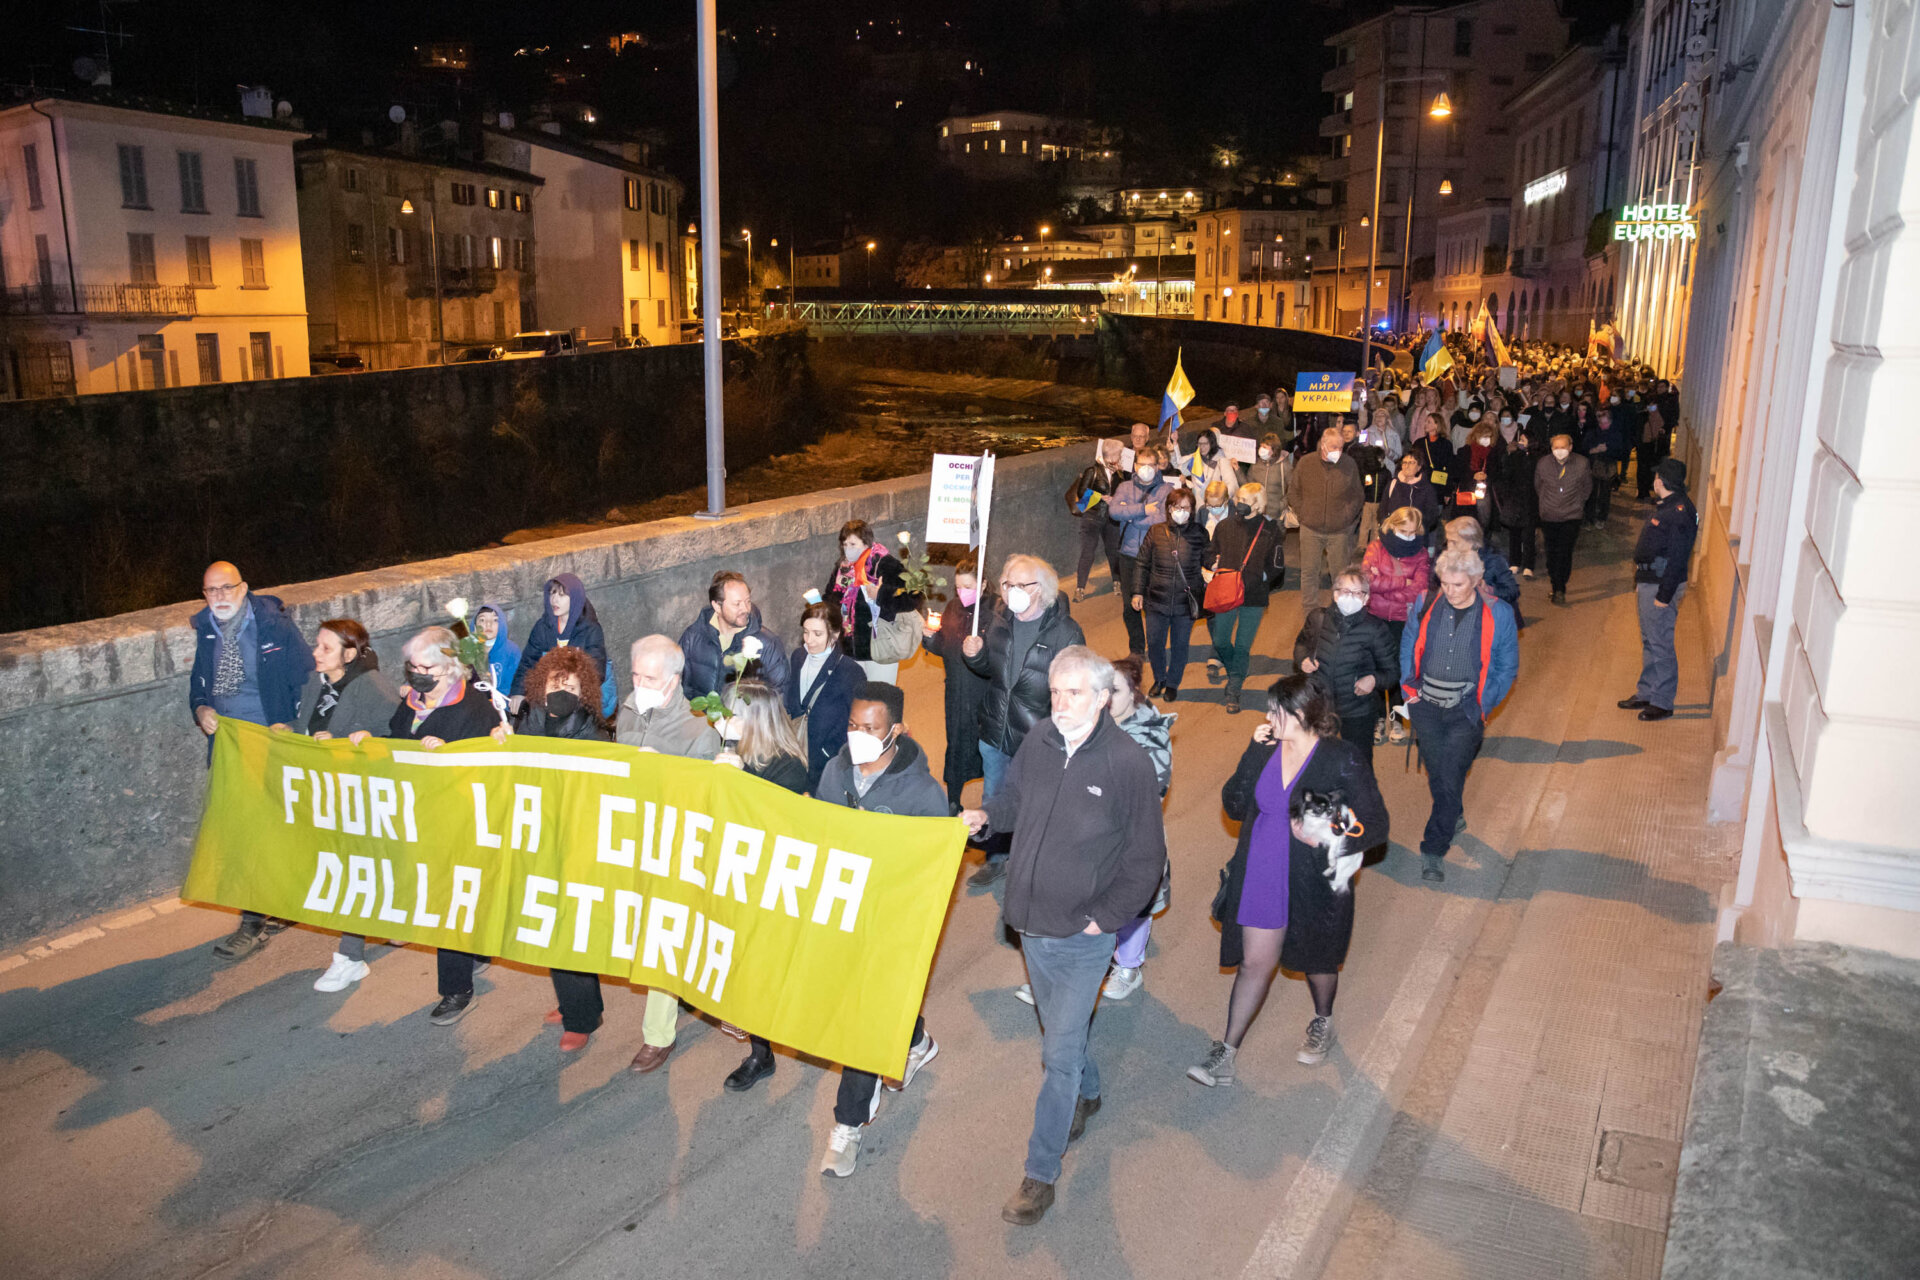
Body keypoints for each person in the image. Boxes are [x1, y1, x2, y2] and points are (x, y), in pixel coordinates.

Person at [960, 648, 1166, 1226]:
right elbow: (1014, 803)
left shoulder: (1127, 763)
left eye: (1074, 693)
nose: (1061, 704)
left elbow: (1147, 858)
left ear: (1103, 698)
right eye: (1055, 692)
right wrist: (985, 819)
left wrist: (1105, 918)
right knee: (1063, 1035)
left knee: (1055, 1054)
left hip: (1083, 936)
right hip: (1030, 923)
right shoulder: (1042, 740)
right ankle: (1089, 1089)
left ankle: (1039, 1172)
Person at [1190, 675, 1390, 1086]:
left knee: (1318, 960)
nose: (1267, 716)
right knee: (1253, 964)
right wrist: (1251, 750)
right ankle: (1225, 1054)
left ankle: (1323, 1020)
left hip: (1313, 879)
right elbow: (1232, 804)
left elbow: (1376, 825)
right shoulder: (1265, 750)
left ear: (1300, 714)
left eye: (1275, 710)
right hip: (1261, 870)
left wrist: (1329, 833)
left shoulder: (1341, 758)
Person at [815, 682, 949, 1176]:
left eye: (869, 728)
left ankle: (847, 1127)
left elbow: (935, 867)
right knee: (876, 1005)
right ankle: (914, 1040)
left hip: (891, 924)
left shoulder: (922, 794)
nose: (857, 736)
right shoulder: (835, 772)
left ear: (897, 730)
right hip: (843, 914)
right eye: (852, 725)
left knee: (864, 1022)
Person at [369, 627, 501, 1024]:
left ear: (451, 668)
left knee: (448, 904)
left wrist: (449, 757)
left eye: (427, 667)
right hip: (417, 816)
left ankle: (456, 990)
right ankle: (477, 948)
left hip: (457, 822)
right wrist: (368, 743)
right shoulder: (412, 701)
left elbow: (490, 768)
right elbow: (396, 740)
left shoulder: (475, 708)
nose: (418, 674)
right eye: (412, 666)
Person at [191, 560, 314, 962]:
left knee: (268, 830)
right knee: (246, 832)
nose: (220, 597)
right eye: (211, 591)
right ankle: (266, 910)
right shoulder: (208, 628)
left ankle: (258, 919)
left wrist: (291, 727)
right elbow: (200, 683)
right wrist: (201, 709)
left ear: (244, 588)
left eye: (226, 588)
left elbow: (307, 674)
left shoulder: (273, 626)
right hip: (230, 745)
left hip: (271, 742)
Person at [617, 635, 724, 1071]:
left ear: (674, 680)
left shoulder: (699, 732)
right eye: (636, 675)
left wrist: (657, 772)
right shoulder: (628, 708)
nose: (639, 684)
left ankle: (657, 1035)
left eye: (649, 677)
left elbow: (701, 807)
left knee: (662, 936)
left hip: (673, 848)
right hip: (630, 837)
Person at [280, 617, 398, 992]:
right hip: (327, 792)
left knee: (354, 873)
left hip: (360, 794)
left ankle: (350, 957)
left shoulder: (372, 685)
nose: (315, 653)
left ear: (349, 654)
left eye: (325, 648)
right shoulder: (319, 681)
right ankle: (394, 921)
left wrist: (348, 740)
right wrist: (289, 730)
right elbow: (309, 725)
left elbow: (398, 734)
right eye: (317, 645)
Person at [711, 678, 812, 1093]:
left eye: (732, 713)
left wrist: (739, 783)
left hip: (768, 880)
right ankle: (762, 1051)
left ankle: (767, 1046)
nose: (722, 720)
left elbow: (774, 826)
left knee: (765, 965)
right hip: (733, 873)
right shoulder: (726, 751)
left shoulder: (788, 765)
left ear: (755, 719)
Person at [960, 556, 1084, 887]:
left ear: (1041, 589)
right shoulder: (999, 622)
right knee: (995, 796)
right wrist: (976, 656)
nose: (1011, 591)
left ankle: (1033, 864)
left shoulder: (1066, 632)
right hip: (996, 731)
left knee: (1035, 805)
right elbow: (993, 671)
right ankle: (996, 858)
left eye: (1020, 585)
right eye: (1007, 584)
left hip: (1036, 737)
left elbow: (1076, 690)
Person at [1399, 550, 1520, 883]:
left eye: (1458, 584)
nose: (1449, 591)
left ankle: (1433, 849)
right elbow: (1409, 644)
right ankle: (1454, 811)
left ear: (1477, 582)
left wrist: (1484, 704)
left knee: (1449, 773)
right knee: (1443, 776)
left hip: (1465, 710)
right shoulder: (1426, 602)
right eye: (1445, 583)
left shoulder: (1499, 614)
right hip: (1425, 706)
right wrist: (1408, 691)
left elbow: (1507, 667)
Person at [519, 646, 615, 1051]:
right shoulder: (530, 719)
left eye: (571, 686)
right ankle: (572, 1000)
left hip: (575, 839)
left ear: (585, 692)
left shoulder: (593, 733)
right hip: (539, 833)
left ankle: (582, 1017)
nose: (562, 692)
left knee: (569, 926)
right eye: (556, 684)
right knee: (547, 922)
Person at [1099, 656, 1174, 1001]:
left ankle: (1129, 966)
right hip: (1095, 833)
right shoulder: (1094, 721)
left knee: (1133, 901)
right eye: (1103, 690)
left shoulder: (1150, 733)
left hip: (1131, 837)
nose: (1107, 698)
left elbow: (1153, 788)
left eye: (1115, 690)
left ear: (1134, 693)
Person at [1619, 459, 1698, 722]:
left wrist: (1664, 596)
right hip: (1649, 580)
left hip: (1660, 584)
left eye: (1657, 477)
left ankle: (1662, 701)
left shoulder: (1679, 512)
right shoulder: (1667, 506)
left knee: (1660, 642)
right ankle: (1647, 692)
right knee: (1649, 640)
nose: (1654, 481)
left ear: (1661, 481)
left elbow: (1678, 557)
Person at [1293, 571, 1398, 766]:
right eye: (1345, 591)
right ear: (1335, 594)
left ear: (1366, 598)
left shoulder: (1375, 629)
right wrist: (1302, 660)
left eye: (1358, 593)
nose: (1350, 597)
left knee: (1358, 764)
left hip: (1357, 711)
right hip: (1320, 706)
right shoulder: (1317, 618)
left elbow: (1392, 672)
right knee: (1319, 763)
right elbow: (1301, 644)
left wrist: (1374, 679)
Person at [919, 557, 992, 809]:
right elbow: (944, 647)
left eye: (968, 587)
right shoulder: (952, 608)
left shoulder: (995, 611)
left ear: (983, 584)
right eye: (958, 587)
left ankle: (992, 806)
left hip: (983, 694)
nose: (962, 593)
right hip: (956, 695)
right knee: (957, 746)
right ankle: (953, 801)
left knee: (988, 750)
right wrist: (929, 638)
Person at [1205, 481, 1285, 713]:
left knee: (1242, 646)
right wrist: (1213, 562)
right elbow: (1210, 551)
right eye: (1238, 499)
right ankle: (1237, 671)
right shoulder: (1225, 526)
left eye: (1245, 501)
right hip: (1226, 591)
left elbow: (1277, 566)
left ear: (1258, 505)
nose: (1239, 504)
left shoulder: (1271, 531)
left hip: (1254, 596)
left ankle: (1234, 689)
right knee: (1220, 640)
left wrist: (1260, 576)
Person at [1133, 486, 1208, 701]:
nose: (1181, 511)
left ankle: (1173, 683)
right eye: (1177, 506)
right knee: (1155, 643)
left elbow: (1209, 560)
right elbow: (1141, 563)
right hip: (1156, 601)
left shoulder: (1199, 534)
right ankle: (1160, 679)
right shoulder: (1156, 531)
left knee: (1180, 645)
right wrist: (1137, 592)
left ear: (1192, 510)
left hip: (1186, 603)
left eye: (1186, 507)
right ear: (1169, 508)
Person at [1363, 506, 1431, 745]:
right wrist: (1403, 581)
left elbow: (1419, 589)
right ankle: (1378, 719)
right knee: (1376, 668)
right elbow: (1367, 581)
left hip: (1403, 621)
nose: (1408, 536)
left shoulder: (1421, 553)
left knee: (1400, 670)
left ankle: (1397, 719)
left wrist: (1386, 588)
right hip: (1376, 617)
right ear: (1392, 525)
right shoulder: (1376, 548)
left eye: (1413, 532)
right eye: (1403, 530)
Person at [784, 599, 865, 792]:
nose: (808, 640)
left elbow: (857, 724)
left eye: (817, 634)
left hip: (827, 762)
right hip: (796, 753)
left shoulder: (850, 672)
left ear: (835, 634)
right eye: (805, 631)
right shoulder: (798, 657)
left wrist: (832, 755)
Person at [679, 570, 790, 701]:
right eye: (737, 604)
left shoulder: (767, 644)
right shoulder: (692, 637)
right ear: (717, 606)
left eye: (748, 601)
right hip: (700, 719)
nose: (745, 609)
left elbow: (780, 697)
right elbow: (681, 686)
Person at [511, 574, 613, 714]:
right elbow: (528, 663)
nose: (554, 599)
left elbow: (596, 671)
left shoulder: (590, 629)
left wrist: (569, 692)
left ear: (575, 598)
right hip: (551, 693)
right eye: (552, 593)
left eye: (562, 595)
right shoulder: (543, 627)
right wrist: (518, 692)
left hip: (581, 695)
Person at [1107, 447, 1173, 657]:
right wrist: (1142, 510)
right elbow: (1115, 511)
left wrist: (1131, 515)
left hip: (1154, 555)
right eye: (1141, 464)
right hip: (1128, 555)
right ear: (1135, 466)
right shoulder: (1125, 487)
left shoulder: (1167, 490)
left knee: (1153, 605)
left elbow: (1162, 519)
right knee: (1130, 606)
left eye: (1149, 465)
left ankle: (1155, 645)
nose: (1145, 469)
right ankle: (1136, 648)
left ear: (1157, 466)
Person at [828, 520, 914, 682]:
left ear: (866, 543)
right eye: (845, 544)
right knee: (854, 702)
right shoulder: (843, 569)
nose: (848, 549)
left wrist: (880, 595)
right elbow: (831, 598)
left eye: (853, 544)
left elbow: (913, 597)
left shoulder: (885, 564)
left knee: (879, 701)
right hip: (849, 651)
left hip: (880, 647)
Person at [1292, 427, 1365, 612]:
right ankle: (1310, 613)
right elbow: (1293, 492)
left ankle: (1338, 611)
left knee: (1339, 574)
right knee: (1309, 573)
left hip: (1339, 531)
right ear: (1322, 445)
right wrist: (1304, 513)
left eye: (1341, 447)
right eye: (1334, 447)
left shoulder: (1349, 464)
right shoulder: (1306, 463)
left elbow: (1357, 496)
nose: (1338, 452)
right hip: (1310, 529)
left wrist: (1346, 517)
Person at [1535, 433, 1594, 605]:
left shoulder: (1582, 464)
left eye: (1563, 447)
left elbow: (1587, 488)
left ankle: (1560, 587)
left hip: (1571, 515)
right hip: (1549, 515)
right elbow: (1538, 486)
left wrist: (1576, 504)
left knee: (1564, 551)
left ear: (1570, 447)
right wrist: (1547, 504)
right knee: (1551, 552)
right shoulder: (1543, 463)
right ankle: (1555, 582)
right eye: (1556, 448)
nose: (1559, 451)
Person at [1068, 441, 1126, 602]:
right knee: (1087, 553)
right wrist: (1101, 497)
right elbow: (1081, 492)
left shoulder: (1119, 473)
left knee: (1113, 550)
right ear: (1112, 456)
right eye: (1119, 454)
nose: (1120, 457)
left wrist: (1116, 498)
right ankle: (1080, 588)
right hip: (1092, 516)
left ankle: (1117, 581)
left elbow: (1124, 490)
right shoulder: (1092, 471)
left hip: (1111, 517)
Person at [1493, 423, 1543, 578]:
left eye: (1523, 439)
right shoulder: (1514, 457)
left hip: (1530, 500)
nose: (1520, 442)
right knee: (1514, 533)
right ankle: (1514, 562)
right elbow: (1505, 475)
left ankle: (1529, 565)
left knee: (1528, 535)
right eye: (1519, 439)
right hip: (1514, 499)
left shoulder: (1538, 459)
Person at [1443, 516, 1522, 615]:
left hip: (1490, 616)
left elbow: (1512, 591)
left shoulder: (1494, 560)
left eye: (1454, 542)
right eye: (1448, 541)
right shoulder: (1447, 559)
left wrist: (1489, 590)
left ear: (1470, 542)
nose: (1449, 546)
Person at [1380, 450, 1444, 541]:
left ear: (1419, 467)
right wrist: (1388, 526)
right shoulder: (1393, 484)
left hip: (1416, 537)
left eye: (1411, 463)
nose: (1407, 466)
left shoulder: (1426, 488)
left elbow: (1432, 515)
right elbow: (1383, 508)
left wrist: (1416, 528)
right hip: (1393, 536)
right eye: (1404, 463)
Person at [1344, 418, 1388, 548]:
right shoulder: (1343, 447)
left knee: (1365, 523)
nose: (1346, 434)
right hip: (1350, 490)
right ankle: (1356, 546)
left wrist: (1367, 447)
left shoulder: (1360, 449)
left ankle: (1367, 546)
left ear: (1357, 433)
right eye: (1344, 431)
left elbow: (1370, 468)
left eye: (1350, 431)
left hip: (1358, 492)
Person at [1583, 405, 1625, 525]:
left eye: (1605, 423)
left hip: (1607, 468)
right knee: (1591, 492)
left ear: (1610, 422)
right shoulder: (1593, 432)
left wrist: (1607, 449)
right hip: (1593, 467)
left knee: (1604, 494)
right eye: (1601, 423)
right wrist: (1595, 450)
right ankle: (1589, 517)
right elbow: (1585, 447)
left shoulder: (1616, 434)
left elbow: (1620, 452)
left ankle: (1602, 517)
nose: (1603, 426)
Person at [473, 603, 520, 694]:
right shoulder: (469, 651)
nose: (488, 624)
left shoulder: (511, 651)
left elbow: (514, 685)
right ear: (474, 626)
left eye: (495, 620)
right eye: (482, 620)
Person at [1246, 432, 1289, 526]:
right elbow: (1248, 486)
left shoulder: (1284, 467)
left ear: (1274, 450)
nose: (1261, 449)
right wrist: (1237, 470)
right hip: (1258, 514)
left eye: (1265, 447)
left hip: (1276, 517)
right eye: (1261, 446)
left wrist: (1281, 505)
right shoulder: (1255, 465)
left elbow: (1293, 488)